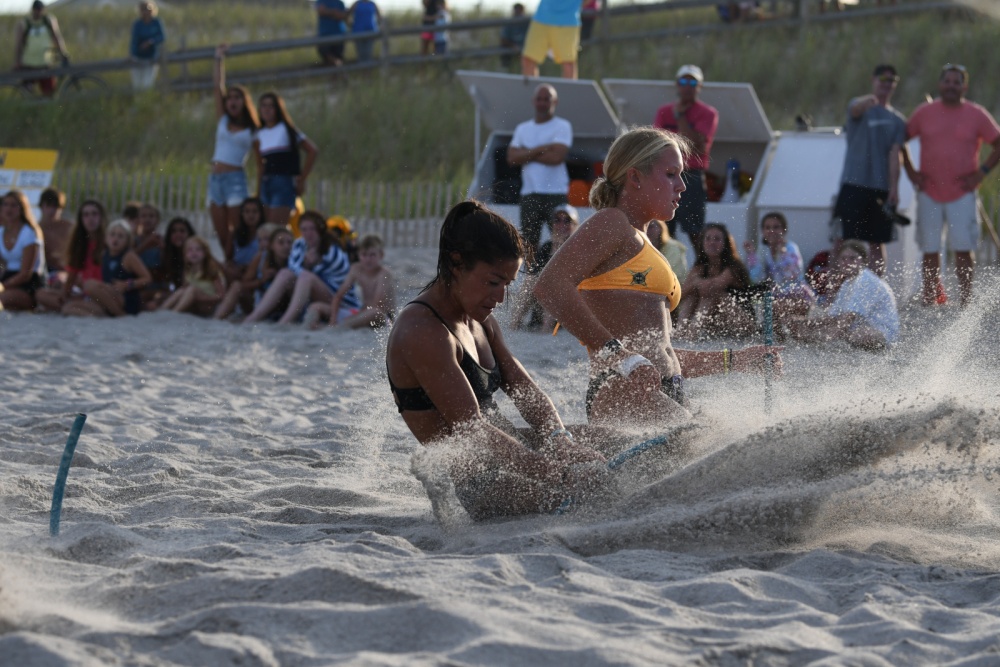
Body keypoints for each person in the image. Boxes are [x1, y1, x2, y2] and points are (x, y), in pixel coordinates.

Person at [534, 127, 780, 426]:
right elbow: (549, 286)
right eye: (671, 174)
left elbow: (659, 353)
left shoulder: (644, 242)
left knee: (730, 436)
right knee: (711, 441)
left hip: (659, 387)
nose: (682, 186)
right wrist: (620, 356)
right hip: (622, 387)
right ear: (635, 178)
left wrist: (736, 359)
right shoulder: (612, 222)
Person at [386, 200, 605, 520]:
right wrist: (559, 474)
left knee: (619, 441)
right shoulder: (421, 330)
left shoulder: (479, 318)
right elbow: (473, 430)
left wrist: (559, 440)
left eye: (507, 284)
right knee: (596, 495)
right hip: (478, 483)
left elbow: (524, 388)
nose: (501, 297)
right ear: (456, 263)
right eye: (492, 282)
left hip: (511, 452)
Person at [904, 64, 1000, 307]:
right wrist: (911, 171)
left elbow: (998, 143)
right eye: (947, 81)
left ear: (964, 87)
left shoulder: (976, 114)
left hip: (962, 192)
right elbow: (900, 140)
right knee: (930, 249)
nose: (951, 86)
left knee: (963, 248)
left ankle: (965, 301)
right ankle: (930, 299)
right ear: (940, 84)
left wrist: (981, 173)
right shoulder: (924, 112)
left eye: (957, 82)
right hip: (929, 191)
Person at [833, 64, 907, 277]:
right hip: (853, 183)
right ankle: (833, 289)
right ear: (873, 80)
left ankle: (875, 288)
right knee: (842, 239)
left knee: (877, 241)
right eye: (883, 78)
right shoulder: (860, 107)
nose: (887, 84)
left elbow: (895, 155)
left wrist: (894, 188)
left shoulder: (897, 120)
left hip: (880, 187)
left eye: (891, 80)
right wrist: (868, 101)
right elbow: (855, 109)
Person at [244, 210, 359, 325]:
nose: (308, 233)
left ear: (320, 229)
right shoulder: (299, 244)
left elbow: (334, 283)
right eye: (304, 229)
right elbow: (292, 269)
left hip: (339, 300)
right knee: (285, 273)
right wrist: (306, 265)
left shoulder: (331, 249)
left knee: (305, 277)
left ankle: (284, 322)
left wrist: (308, 265)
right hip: (315, 293)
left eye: (312, 229)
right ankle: (253, 317)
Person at [788, 240, 899, 351]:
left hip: (884, 333)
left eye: (852, 258)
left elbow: (845, 321)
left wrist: (812, 335)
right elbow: (834, 316)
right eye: (843, 258)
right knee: (840, 330)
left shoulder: (865, 280)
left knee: (853, 334)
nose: (847, 262)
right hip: (865, 327)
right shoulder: (848, 282)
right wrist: (805, 322)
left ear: (863, 261)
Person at [653, 64, 719, 250]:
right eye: (683, 82)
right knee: (662, 231)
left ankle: (702, 267)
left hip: (691, 176)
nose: (687, 86)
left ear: (700, 86)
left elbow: (696, 146)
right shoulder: (663, 111)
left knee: (696, 233)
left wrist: (680, 116)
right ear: (677, 84)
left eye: (692, 83)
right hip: (666, 176)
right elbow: (656, 144)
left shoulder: (708, 113)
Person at [506, 84, 573, 254]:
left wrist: (526, 153)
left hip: (556, 193)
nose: (542, 103)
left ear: (555, 102)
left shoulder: (562, 125)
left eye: (546, 99)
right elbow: (512, 158)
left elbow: (557, 158)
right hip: (530, 193)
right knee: (528, 245)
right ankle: (531, 272)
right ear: (533, 101)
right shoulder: (522, 128)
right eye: (539, 99)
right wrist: (541, 148)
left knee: (561, 243)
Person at [209, 45, 259, 258]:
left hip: (235, 179)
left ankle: (242, 265)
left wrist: (259, 189)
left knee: (237, 231)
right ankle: (230, 266)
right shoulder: (223, 120)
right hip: (215, 179)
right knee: (221, 233)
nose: (232, 101)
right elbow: (217, 87)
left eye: (237, 98)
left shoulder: (253, 130)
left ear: (244, 102)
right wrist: (218, 59)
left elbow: (260, 161)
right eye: (230, 98)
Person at [674, 222, 756, 341]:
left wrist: (696, 282)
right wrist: (695, 284)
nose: (712, 242)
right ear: (702, 243)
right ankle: (680, 332)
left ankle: (691, 334)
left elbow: (711, 288)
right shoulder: (700, 267)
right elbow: (681, 295)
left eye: (717, 239)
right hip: (717, 322)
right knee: (691, 296)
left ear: (726, 243)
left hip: (743, 323)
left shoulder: (733, 267)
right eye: (708, 239)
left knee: (714, 295)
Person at [253, 92, 319, 227]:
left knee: (276, 228)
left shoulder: (286, 130)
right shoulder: (259, 134)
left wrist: (302, 178)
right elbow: (260, 165)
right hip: (266, 183)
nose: (267, 109)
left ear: (278, 109)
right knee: (265, 228)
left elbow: (312, 150)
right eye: (264, 106)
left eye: (271, 106)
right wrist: (258, 191)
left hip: (283, 182)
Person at [510, 203, 579, 331]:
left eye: (567, 221)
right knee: (531, 281)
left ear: (575, 226)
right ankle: (514, 325)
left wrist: (558, 248)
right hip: (547, 303)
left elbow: (569, 279)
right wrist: (555, 247)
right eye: (557, 220)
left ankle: (545, 330)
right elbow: (533, 275)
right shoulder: (547, 247)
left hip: (567, 305)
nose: (562, 225)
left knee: (555, 283)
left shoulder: (578, 249)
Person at [61, 219, 151, 318]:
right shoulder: (104, 255)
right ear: (106, 238)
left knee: (89, 284)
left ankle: (120, 315)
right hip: (108, 298)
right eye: (112, 234)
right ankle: (104, 318)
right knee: (68, 308)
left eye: (120, 236)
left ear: (127, 240)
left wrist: (127, 284)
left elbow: (147, 278)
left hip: (124, 298)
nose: (115, 239)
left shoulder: (129, 256)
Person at [743, 211, 815, 331]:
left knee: (773, 309)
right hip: (777, 296)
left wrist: (783, 254)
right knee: (770, 308)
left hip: (798, 295)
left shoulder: (791, 247)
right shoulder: (763, 250)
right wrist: (751, 255)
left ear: (784, 230)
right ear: (762, 231)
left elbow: (793, 274)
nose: (771, 231)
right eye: (767, 227)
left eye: (776, 227)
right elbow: (756, 278)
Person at [306, 233, 395, 330]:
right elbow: (338, 296)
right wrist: (333, 319)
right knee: (315, 306)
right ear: (358, 255)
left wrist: (349, 319)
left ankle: (337, 328)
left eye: (372, 255)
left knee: (375, 312)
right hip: (361, 314)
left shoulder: (384, 274)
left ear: (381, 255)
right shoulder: (356, 269)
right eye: (364, 255)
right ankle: (313, 327)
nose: (368, 259)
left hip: (382, 317)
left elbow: (377, 305)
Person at [36, 199, 105, 314]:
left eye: (94, 214)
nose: (90, 219)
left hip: (100, 293)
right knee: (41, 294)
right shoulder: (79, 244)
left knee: (69, 307)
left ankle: (73, 306)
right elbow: (72, 276)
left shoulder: (108, 241)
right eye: (86, 215)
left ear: (101, 217)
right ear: (81, 219)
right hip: (83, 293)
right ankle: (71, 305)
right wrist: (64, 295)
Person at [214, 222, 288, 320]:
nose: (262, 243)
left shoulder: (288, 256)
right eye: (259, 240)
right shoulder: (260, 257)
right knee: (237, 286)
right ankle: (217, 318)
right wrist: (261, 281)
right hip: (259, 300)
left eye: (266, 239)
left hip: (281, 304)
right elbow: (244, 283)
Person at [0, 190, 46, 312]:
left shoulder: (29, 232)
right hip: (8, 279)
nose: (9, 209)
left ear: (22, 208)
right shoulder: (1, 231)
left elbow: (26, 274)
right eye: (5, 204)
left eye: (13, 205)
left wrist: (2, 286)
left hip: (29, 284)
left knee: (2, 298)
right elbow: (2, 265)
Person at [13, 0, 68, 97]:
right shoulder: (24, 23)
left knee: (49, 93)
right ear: (32, 10)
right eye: (36, 9)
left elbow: (57, 37)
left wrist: (63, 53)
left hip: (46, 63)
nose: (38, 12)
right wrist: (17, 61)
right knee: (27, 93)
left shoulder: (48, 21)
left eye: (40, 10)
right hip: (29, 64)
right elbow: (19, 44)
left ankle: (46, 106)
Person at [160, 236, 225, 317]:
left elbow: (221, 295)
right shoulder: (187, 272)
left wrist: (201, 297)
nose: (194, 252)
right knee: (181, 290)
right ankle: (161, 311)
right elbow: (184, 290)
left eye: (198, 249)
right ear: (185, 255)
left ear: (205, 253)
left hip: (207, 306)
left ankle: (174, 313)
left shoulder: (211, 272)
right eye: (190, 250)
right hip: (193, 305)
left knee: (192, 289)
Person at [520, 0, 582, 79]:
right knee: (528, 59)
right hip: (541, 17)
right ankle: (531, 87)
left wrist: (572, 7)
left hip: (568, 21)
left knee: (568, 62)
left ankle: (569, 88)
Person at [37, 187, 73, 287]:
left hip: (67, 271)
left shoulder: (69, 228)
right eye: (49, 206)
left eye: (56, 207)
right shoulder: (35, 229)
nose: (52, 210)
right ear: (41, 206)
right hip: (44, 272)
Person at [129, 1, 165, 91]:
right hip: (138, 57)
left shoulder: (156, 22)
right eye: (143, 9)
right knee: (137, 85)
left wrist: (151, 42)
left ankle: (146, 99)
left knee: (147, 84)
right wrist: (132, 54)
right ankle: (138, 99)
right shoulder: (137, 24)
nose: (146, 12)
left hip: (151, 57)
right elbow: (134, 41)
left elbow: (162, 37)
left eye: (148, 9)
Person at [646, 218, 688, 285]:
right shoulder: (640, 248)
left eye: (651, 227)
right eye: (645, 227)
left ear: (660, 228)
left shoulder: (673, 247)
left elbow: (669, 273)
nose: (647, 230)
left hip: (674, 286)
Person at [316, 0, 349, 67]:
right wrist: (333, 12)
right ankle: (340, 67)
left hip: (339, 34)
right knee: (326, 54)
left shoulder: (340, 3)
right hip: (324, 35)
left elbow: (342, 16)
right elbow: (321, 11)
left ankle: (338, 69)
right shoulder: (321, 1)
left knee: (337, 56)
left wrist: (327, 12)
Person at [499, 3, 529, 69]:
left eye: (520, 10)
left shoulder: (527, 22)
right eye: (516, 10)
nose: (518, 13)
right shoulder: (509, 22)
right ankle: (505, 69)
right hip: (511, 47)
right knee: (505, 52)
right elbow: (503, 39)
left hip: (525, 47)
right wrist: (513, 45)